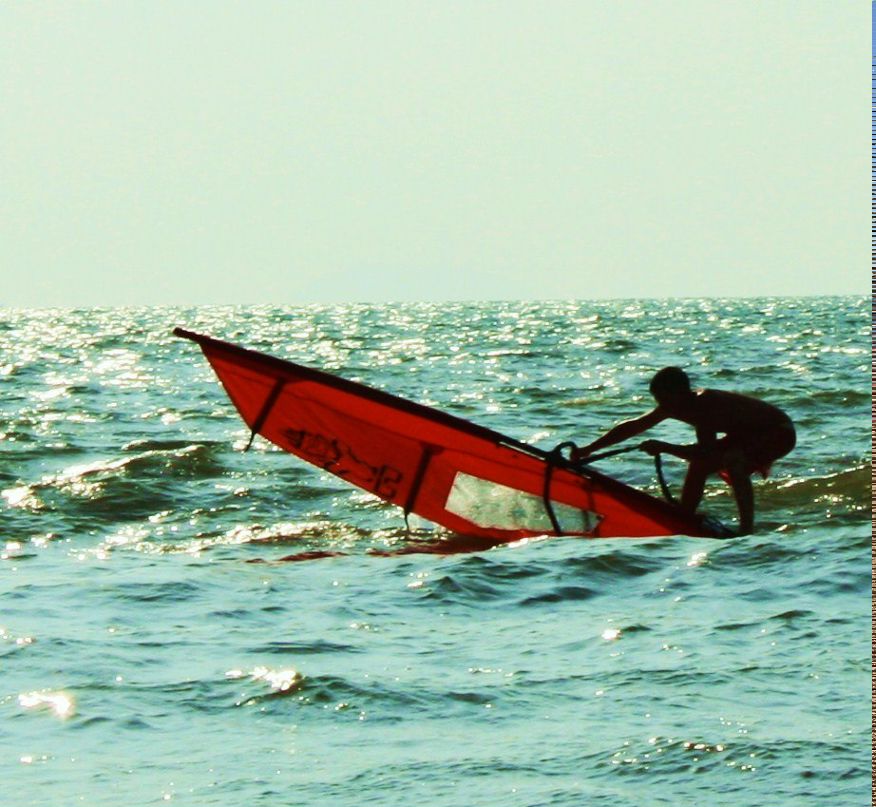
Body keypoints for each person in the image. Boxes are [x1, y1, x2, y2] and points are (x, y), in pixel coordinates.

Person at [572, 367, 795, 535]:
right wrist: (589, 449)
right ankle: (685, 515)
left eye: (665, 399)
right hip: (746, 435)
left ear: (681, 393)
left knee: (733, 460)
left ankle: (746, 530)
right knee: (700, 466)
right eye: (658, 400)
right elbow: (634, 426)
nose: (662, 405)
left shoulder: (705, 405)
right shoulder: (672, 406)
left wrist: (664, 447)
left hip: (779, 432)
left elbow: (704, 453)